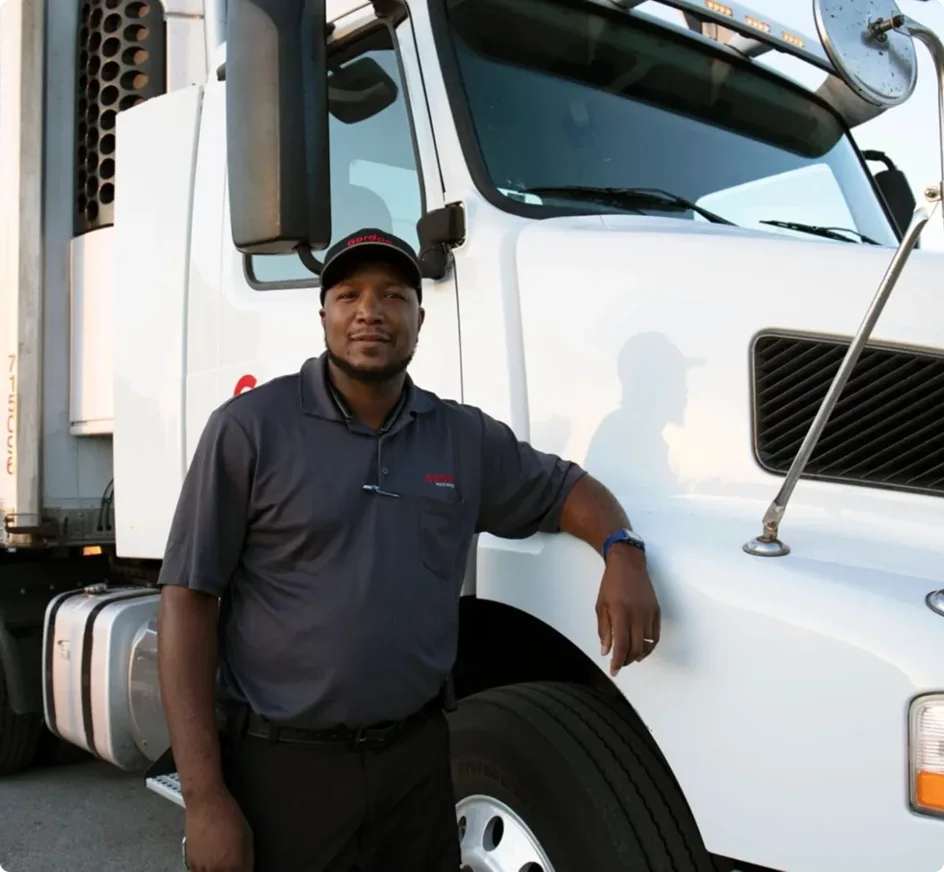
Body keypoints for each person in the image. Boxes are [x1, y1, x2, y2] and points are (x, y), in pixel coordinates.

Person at [156, 227, 661, 872]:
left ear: (420, 319)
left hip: (416, 768)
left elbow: (567, 490)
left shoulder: (461, 438)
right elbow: (188, 601)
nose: (370, 311)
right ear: (324, 316)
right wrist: (205, 799)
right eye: (349, 295)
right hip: (285, 771)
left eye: (394, 295)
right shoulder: (250, 429)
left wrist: (623, 551)